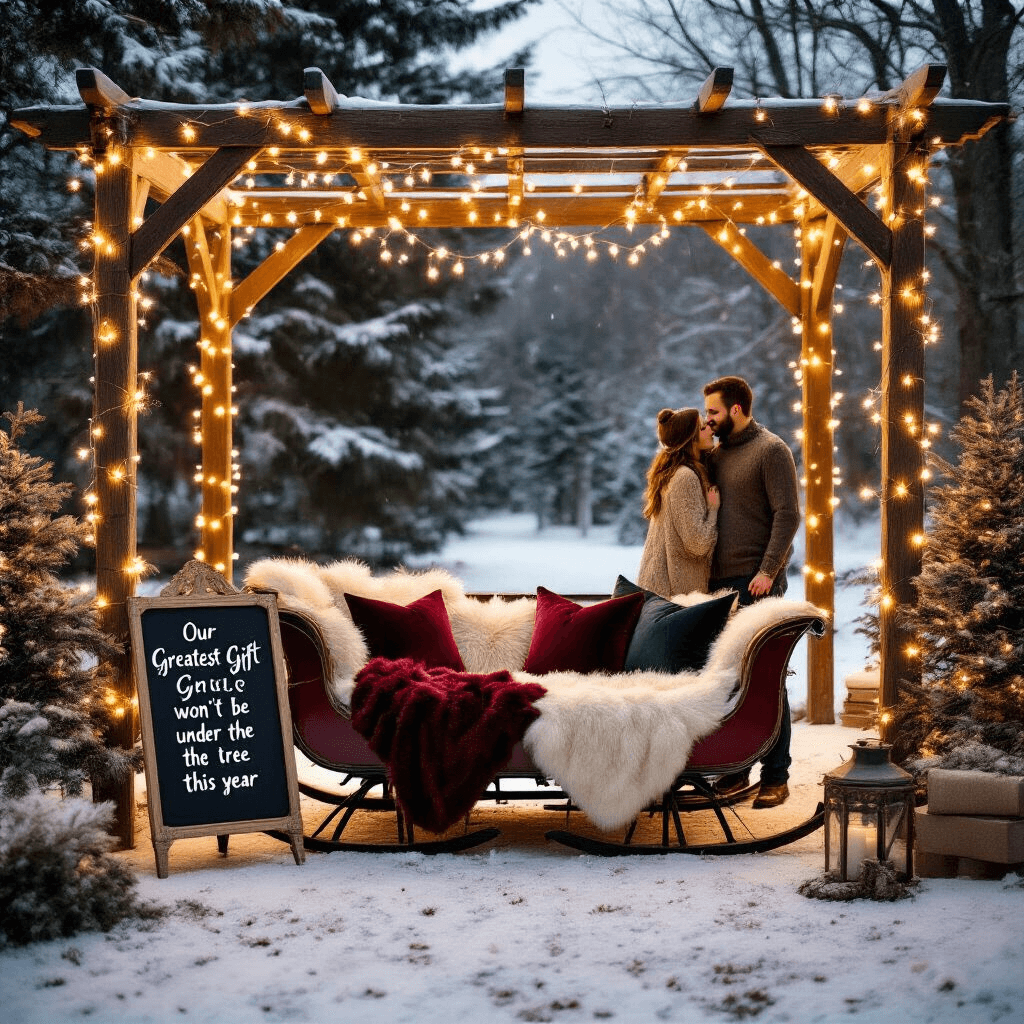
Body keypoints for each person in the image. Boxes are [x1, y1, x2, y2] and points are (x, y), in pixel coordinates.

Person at [703, 375, 801, 809]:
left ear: (736, 410)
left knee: (765, 680)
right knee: (729, 681)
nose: (708, 419)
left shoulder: (772, 451)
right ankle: (736, 767)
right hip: (718, 586)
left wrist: (767, 571)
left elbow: (788, 516)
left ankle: (776, 776)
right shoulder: (717, 454)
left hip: (757, 583)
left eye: (713, 412)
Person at [636, 407, 720, 597]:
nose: (710, 429)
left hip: (661, 588)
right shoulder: (685, 477)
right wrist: (713, 509)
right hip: (674, 593)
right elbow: (698, 543)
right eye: (703, 427)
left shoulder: (675, 472)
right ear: (690, 438)